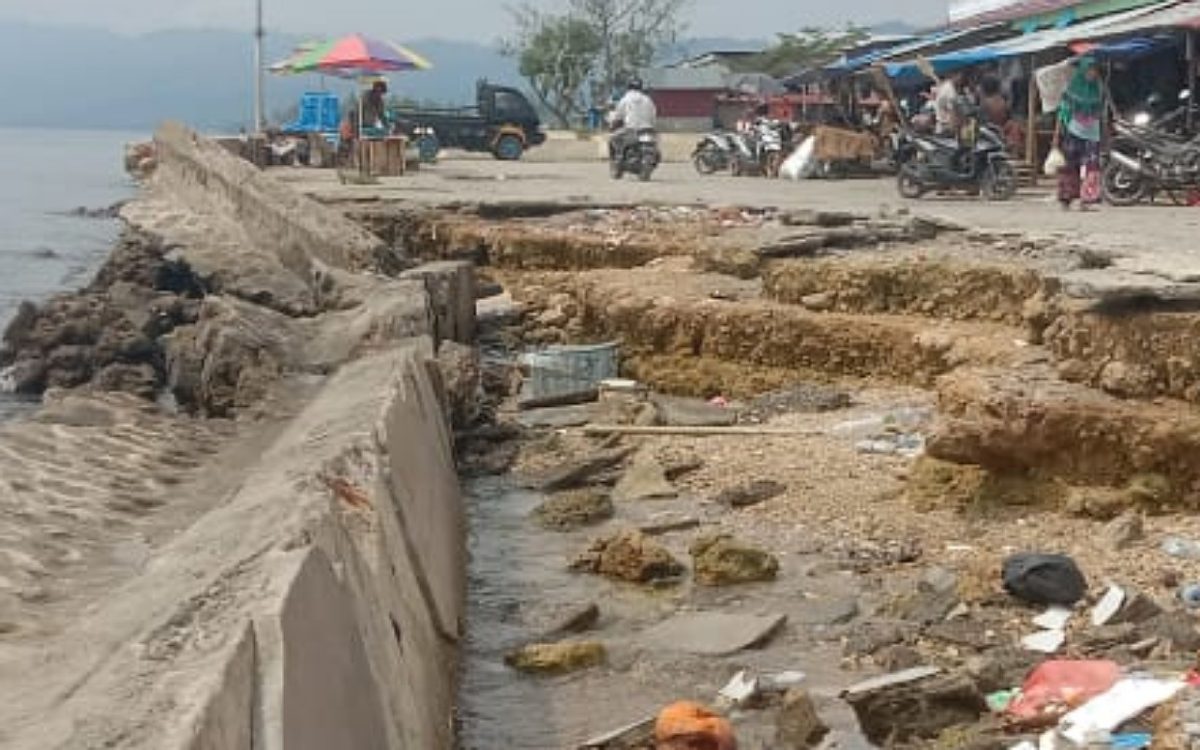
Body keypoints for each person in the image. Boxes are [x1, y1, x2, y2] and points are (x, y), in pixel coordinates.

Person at [1055, 56, 1105, 210]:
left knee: (1092, 166)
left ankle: (1087, 200)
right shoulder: (1072, 89)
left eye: (1095, 70)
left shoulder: (1098, 89)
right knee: (1070, 166)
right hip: (1073, 132)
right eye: (1090, 70)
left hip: (1093, 134)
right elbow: (1062, 113)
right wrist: (1057, 134)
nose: (1093, 73)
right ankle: (1066, 198)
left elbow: (1101, 113)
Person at [607, 77, 657, 159]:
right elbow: (653, 115)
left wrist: (613, 124)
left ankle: (618, 158)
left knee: (613, 138)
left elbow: (618, 115)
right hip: (648, 129)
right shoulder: (647, 99)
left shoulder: (626, 99)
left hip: (631, 129)